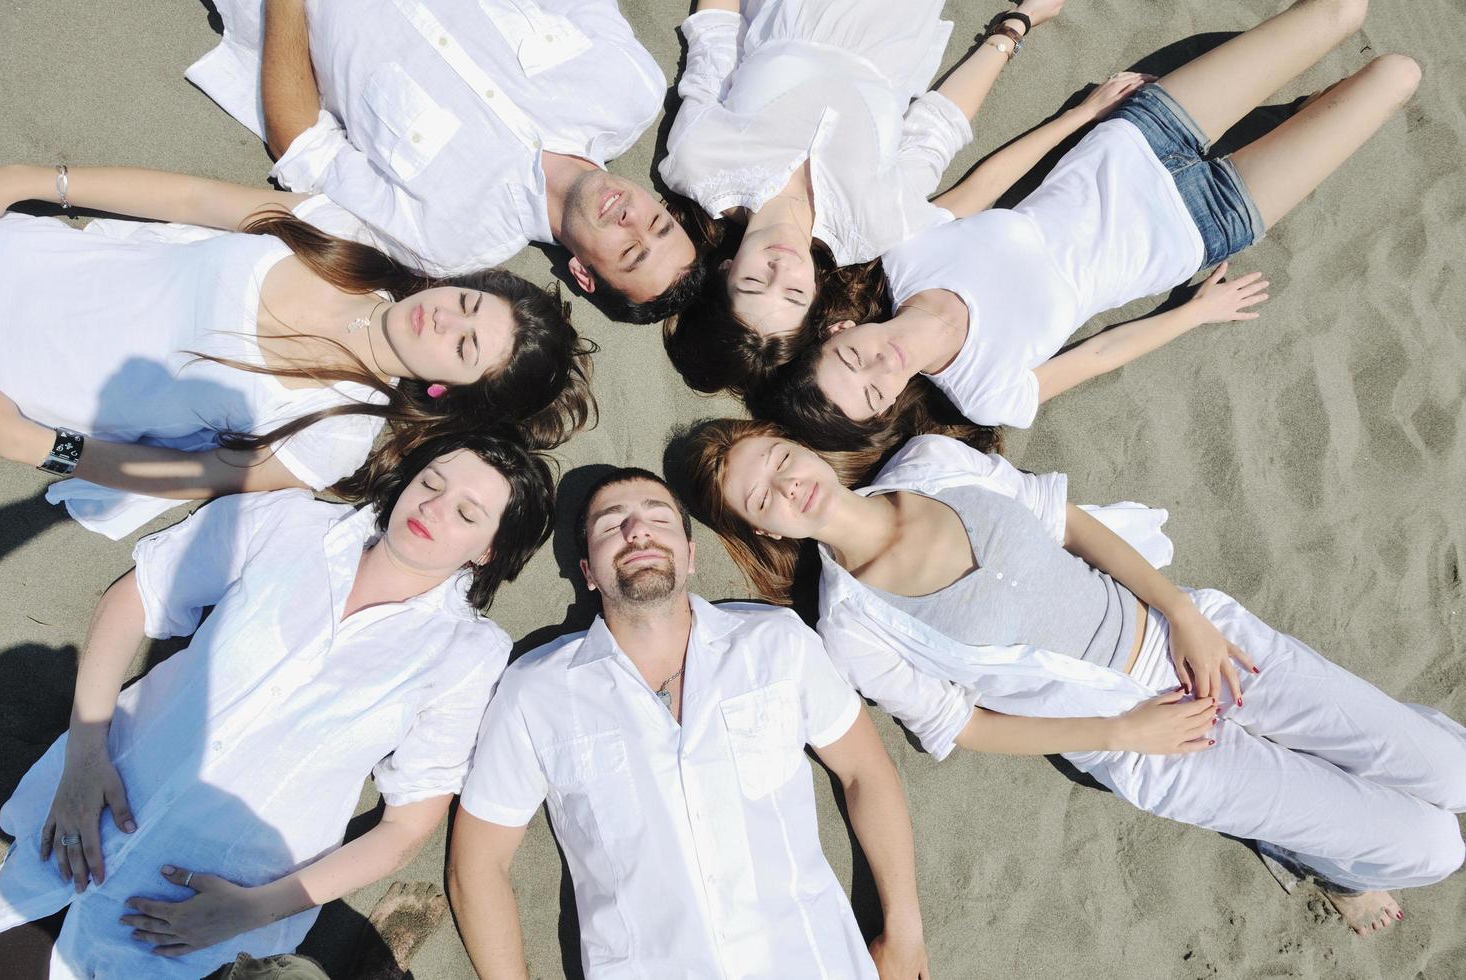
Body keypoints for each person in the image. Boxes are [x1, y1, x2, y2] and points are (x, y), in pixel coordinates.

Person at [685, 418, 1466, 936]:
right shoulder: (853, 627)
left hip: (1188, 638)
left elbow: (1070, 523)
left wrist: (1182, 616)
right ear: (764, 527)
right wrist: (1125, 732)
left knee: (1454, 772)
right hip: (1147, 746)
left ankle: (1327, 821)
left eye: (781, 459)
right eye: (763, 496)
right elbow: (966, 726)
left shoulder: (932, 464)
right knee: (1432, 849)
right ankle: (1328, 861)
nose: (789, 485)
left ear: (800, 447)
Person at [0, 430, 555, 978]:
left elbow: (407, 827)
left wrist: (252, 909)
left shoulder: (467, 654)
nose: (433, 508)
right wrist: (85, 755)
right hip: (77, 819)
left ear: (489, 550)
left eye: (467, 513)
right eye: (431, 482)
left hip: (197, 918)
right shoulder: (287, 522)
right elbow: (139, 596)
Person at [758, 0, 1421, 448]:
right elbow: (1100, 355)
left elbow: (987, 182)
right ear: (883, 411)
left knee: (1345, 10)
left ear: (840, 329)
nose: (883, 362)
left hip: (1136, 140)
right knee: (1398, 74)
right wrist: (1196, 313)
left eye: (853, 357)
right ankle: (1304, 117)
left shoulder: (903, 255)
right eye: (873, 389)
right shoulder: (986, 393)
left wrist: (1085, 113)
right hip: (1206, 224)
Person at [446, 467, 930, 978]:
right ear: (588, 571)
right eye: (612, 525)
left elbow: (865, 772)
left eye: (659, 517)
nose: (638, 530)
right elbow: (477, 865)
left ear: (691, 555)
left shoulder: (774, 643)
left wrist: (904, 930)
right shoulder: (535, 692)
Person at [0, 163, 592, 538]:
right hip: (24, 259)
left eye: (463, 346)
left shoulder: (333, 438)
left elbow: (187, 475)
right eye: (466, 304)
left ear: (446, 389)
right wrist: (35, 182)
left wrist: (35, 445)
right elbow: (192, 198)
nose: (442, 318)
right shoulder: (345, 239)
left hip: (21, 380)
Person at [190, 0, 703, 323]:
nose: (631, 219)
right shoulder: (628, 89)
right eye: (656, 223)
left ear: (583, 274)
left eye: (630, 252)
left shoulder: (450, 240)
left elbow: (302, 144)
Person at [659, 0, 1077, 395]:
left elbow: (716, 33)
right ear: (815, 297)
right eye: (794, 294)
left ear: (725, 270)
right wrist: (1020, 22)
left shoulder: (697, 163)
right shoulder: (873, 226)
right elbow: (940, 126)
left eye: (753, 282)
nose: (781, 268)